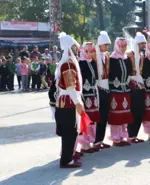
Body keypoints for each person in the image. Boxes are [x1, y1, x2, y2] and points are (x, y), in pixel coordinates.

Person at [54, 32, 83, 168]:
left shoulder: (65, 63)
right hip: (68, 103)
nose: (76, 50)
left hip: (64, 101)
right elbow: (71, 87)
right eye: (74, 47)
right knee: (70, 133)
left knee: (68, 132)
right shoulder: (68, 65)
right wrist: (78, 102)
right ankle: (66, 160)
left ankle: (67, 157)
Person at [108, 37, 134, 146]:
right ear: (117, 46)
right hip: (115, 90)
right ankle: (115, 138)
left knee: (124, 115)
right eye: (121, 46)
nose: (123, 48)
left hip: (125, 90)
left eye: (125, 46)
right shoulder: (112, 59)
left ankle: (123, 136)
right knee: (116, 116)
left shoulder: (126, 59)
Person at [77, 42, 100, 153]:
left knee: (92, 120)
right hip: (85, 95)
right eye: (87, 51)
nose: (90, 53)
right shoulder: (81, 63)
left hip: (93, 95)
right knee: (85, 119)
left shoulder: (93, 63)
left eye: (92, 51)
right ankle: (84, 144)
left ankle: (90, 141)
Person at [125, 32, 147, 143]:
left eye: (144, 43)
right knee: (133, 110)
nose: (144, 45)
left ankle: (134, 135)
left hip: (141, 84)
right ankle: (130, 134)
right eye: (142, 43)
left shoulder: (142, 55)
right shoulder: (130, 54)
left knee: (140, 111)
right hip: (132, 84)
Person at [94, 31, 112, 149]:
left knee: (105, 115)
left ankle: (100, 139)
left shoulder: (107, 55)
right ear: (100, 44)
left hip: (106, 87)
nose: (106, 47)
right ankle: (94, 140)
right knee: (97, 115)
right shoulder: (93, 55)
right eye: (105, 45)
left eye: (107, 45)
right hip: (96, 87)